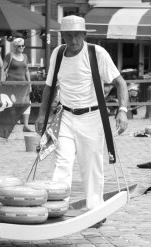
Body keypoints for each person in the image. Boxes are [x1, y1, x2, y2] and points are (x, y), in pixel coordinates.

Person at [35, 15, 128, 216]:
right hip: (65, 116)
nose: (73, 40)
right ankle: (58, 207)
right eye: (68, 35)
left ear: (84, 34)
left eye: (77, 35)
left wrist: (123, 111)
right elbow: (49, 87)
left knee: (91, 165)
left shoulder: (96, 53)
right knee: (62, 163)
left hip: (92, 117)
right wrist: (42, 115)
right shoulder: (58, 54)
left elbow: (120, 83)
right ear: (62, 36)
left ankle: (94, 210)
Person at [2, 37, 32, 132]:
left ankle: (26, 125)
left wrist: (29, 83)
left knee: (27, 103)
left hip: (23, 85)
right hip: (11, 84)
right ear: (15, 46)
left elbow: (26, 71)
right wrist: (2, 82)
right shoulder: (9, 55)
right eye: (20, 46)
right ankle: (12, 125)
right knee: (13, 104)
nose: (22, 47)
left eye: (23, 45)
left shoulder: (25, 56)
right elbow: (3, 69)